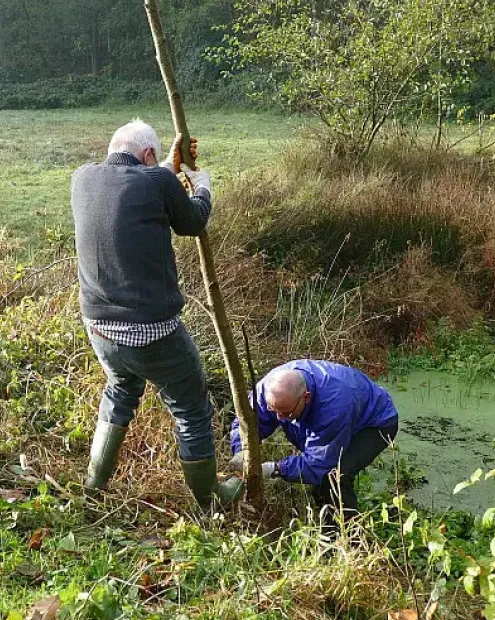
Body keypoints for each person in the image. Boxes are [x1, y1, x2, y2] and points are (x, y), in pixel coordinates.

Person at [71, 119, 243, 509]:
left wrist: (166, 165)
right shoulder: (156, 182)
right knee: (192, 407)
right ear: (147, 156)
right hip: (151, 331)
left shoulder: (82, 178)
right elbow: (193, 222)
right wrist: (202, 185)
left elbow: (136, 185)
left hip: (98, 327)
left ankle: (94, 483)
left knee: (120, 389)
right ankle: (209, 499)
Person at [229, 360, 398, 525]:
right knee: (320, 484)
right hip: (337, 413)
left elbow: (318, 464)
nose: (279, 418)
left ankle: (346, 536)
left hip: (375, 423)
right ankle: (324, 515)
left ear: (306, 397)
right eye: (274, 411)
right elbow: (247, 425)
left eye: (285, 413)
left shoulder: (334, 407)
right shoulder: (269, 388)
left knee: (333, 477)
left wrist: (275, 469)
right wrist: (241, 449)